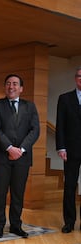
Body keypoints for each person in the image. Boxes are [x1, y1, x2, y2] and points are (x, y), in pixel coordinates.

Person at [0, 74, 40, 239]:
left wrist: (21, 149)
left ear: (21, 88)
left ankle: (16, 225)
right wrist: (9, 148)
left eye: (15, 84)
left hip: (22, 158)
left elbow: (35, 130)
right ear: (5, 87)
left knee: (18, 193)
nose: (11, 87)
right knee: (0, 193)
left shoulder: (30, 106)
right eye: (8, 83)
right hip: (0, 157)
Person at [55, 66, 81, 233]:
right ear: (75, 78)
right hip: (70, 150)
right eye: (79, 76)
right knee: (69, 186)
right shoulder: (64, 98)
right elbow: (60, 126)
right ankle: (69, 222)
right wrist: (61, 147)